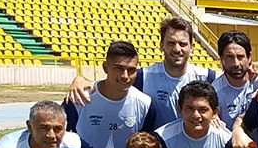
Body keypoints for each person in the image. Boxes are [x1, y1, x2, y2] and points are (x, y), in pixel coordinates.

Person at [65, 17, 216, 129]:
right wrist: (81, 79)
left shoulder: (207, 76)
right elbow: (114, 83)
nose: (177, 49)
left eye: (183, 44)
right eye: (171, 43)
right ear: (161, 45)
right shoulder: (143, 76)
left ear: (192, 47)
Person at [212, 30, 258, 130]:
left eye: (240, 57)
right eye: (229, 57)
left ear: (249, 57)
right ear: (221, 58)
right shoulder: (215, 92)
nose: (236, 63)